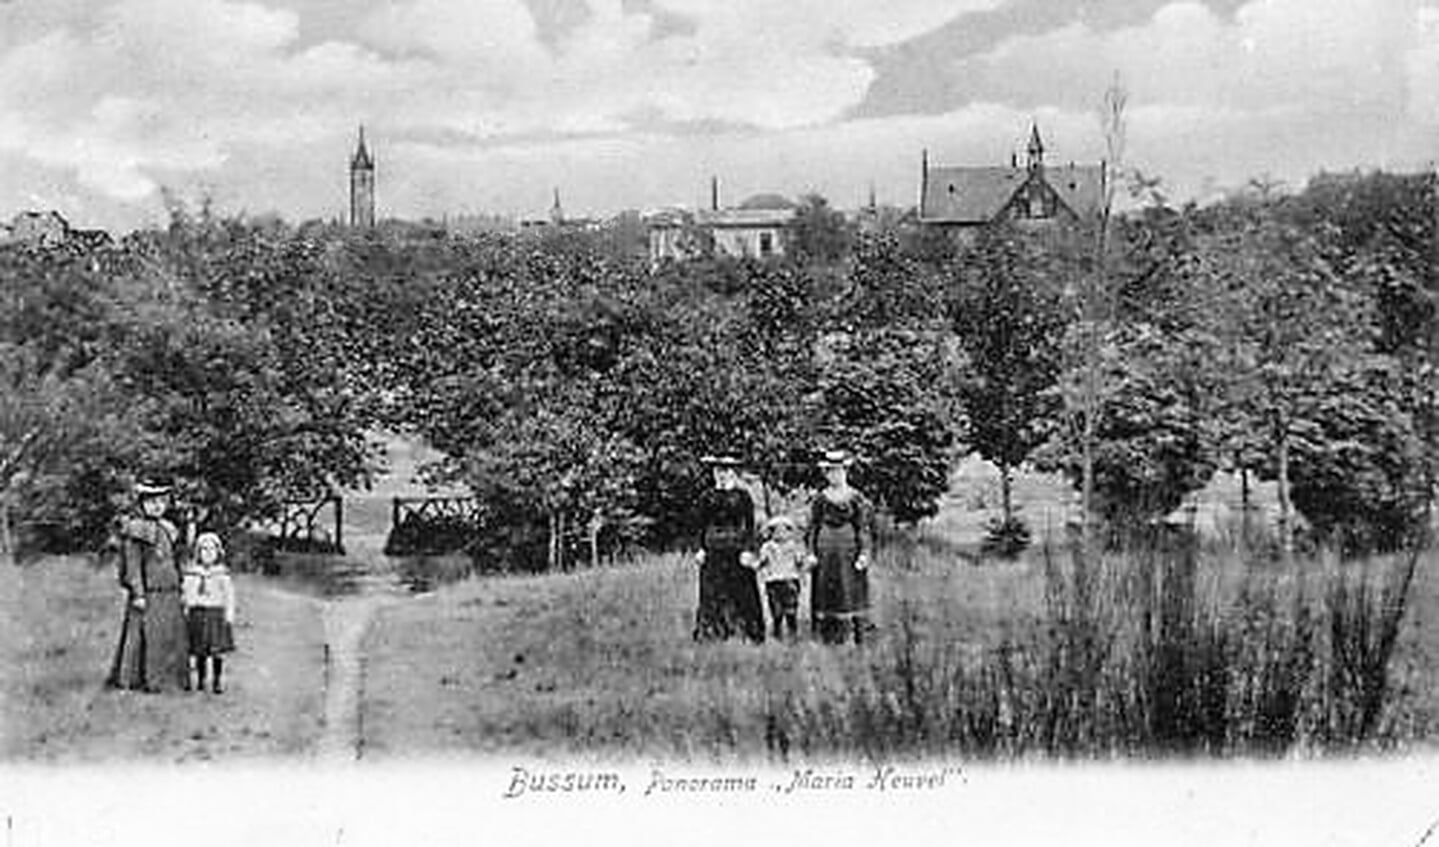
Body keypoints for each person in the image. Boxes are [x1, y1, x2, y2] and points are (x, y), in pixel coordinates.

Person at [106, 479, 190, 692]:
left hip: (169, 592)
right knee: (142, 636)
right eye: (151, 502)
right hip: (148, 594)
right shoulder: (135, 530)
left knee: (169, 637)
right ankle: (137, 679)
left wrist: (181, 586)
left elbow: (176, 561)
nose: (157, 506)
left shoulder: (169, 529)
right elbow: (132, 565)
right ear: (142, 504)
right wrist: (138, 593)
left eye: (161, 502)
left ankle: (170, 680)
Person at [805, 450, 876, 645]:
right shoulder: (820, 498)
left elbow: (863, 527)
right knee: (826, 590)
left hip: (848, 549)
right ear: (826, 474)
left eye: (838, 471)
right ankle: (827, 636)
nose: (834, 475)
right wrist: (811, 552)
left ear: (845, 471)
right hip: (825, 550)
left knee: (850, 588)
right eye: (830, 471)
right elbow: (812, 527)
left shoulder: (855, 497)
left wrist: (864, 553)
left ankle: (857, 635)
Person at [692, 454, 764, 643]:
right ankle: (713, 632)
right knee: (712, 592)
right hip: (713, 549)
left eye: (726, 470)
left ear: (733, 472)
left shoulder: (742, 496)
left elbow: (750, 526)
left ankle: (745, 632)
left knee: (742, 591)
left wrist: (748, 550)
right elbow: (700, 525)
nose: (722, 475)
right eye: (718, 471)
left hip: (737, 550)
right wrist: (700, 548)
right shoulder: (707, 497)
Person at [182, 532, 236, 694]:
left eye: (211, 550)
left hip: (216, 614)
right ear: (198, 552)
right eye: (204, 550)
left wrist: (229, 615)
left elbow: (229, 596)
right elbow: (187, 593)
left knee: (216, 650)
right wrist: (187, 608)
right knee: (200, 650)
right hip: (198, 614)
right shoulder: (192, 573)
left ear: (218, 553)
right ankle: (201, 679)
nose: (208, 554)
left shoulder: (222, 574)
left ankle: (217, 680)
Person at [755, 514, 808, 640]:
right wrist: (756, 565)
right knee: (776, 610)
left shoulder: (794, 546)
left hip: (790, 579)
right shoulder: (767, 547)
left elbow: (800, 562)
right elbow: (762, 562)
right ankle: (777, 633)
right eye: (776, 530)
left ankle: (793, 633)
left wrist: (802, 568)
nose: (780, 534)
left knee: (791, 609)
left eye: (784, 530)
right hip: (773, 580)